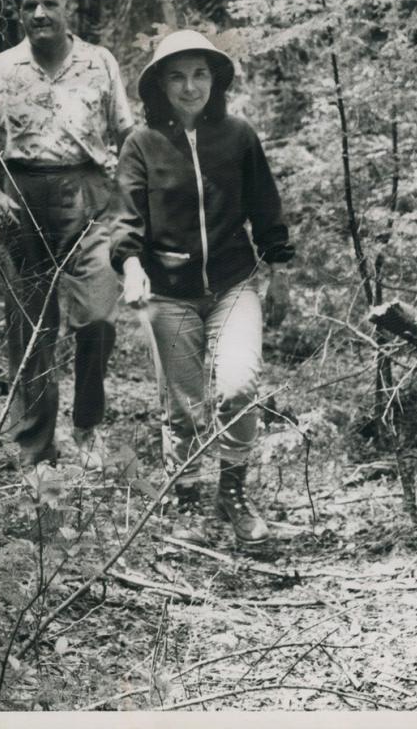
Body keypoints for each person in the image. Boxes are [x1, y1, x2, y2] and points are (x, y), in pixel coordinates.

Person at [111, 30, 294, 547]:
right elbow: (125, 219)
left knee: (237, 386)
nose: (190, 87)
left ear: (215, 80)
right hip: (167, 292)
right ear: (158, 86)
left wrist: (278, 271)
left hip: (235, 284)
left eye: (200, 74)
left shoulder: (238, 135)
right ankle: (185, 491)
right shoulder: (141, 144)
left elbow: (267, 208)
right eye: (177, 76)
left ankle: (232, 490)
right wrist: (131, 266)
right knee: (185, 403)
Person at [0, 0, 134, 470]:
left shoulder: (98, 62)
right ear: (19, 14)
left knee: (99, 318)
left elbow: (127, 136)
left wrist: (122, 196)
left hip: (89, 194)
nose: (39, 12)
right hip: (22, 197)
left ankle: (87, 426)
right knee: (29, 328)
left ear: (68, 9)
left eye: (49, 3)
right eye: (29, 6)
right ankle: (36, 450)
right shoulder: (3, 68)